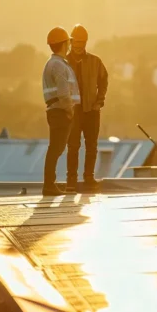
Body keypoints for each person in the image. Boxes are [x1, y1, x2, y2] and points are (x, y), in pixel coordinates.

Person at [65, 24, 109, 193]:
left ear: (86, 42)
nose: (78, 46)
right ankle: (71, 181)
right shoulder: (64, 62)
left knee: (91, 146)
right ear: (71, 41)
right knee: (73, 146)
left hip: (91, 110)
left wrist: (99, 101)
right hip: (73, 111)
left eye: (81, 42)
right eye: (76, 42)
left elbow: (104, 80)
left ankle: (88, 178)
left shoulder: (95, 61)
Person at [41, 26, 80, 196]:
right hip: (60, 112)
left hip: (56, 111)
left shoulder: (54, 63)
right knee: (56, 149)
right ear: (64, 44)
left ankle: (50, 184)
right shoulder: (58, 65)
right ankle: (49, 186)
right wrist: (70, 111)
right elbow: (64, 93)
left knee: (55, 148)